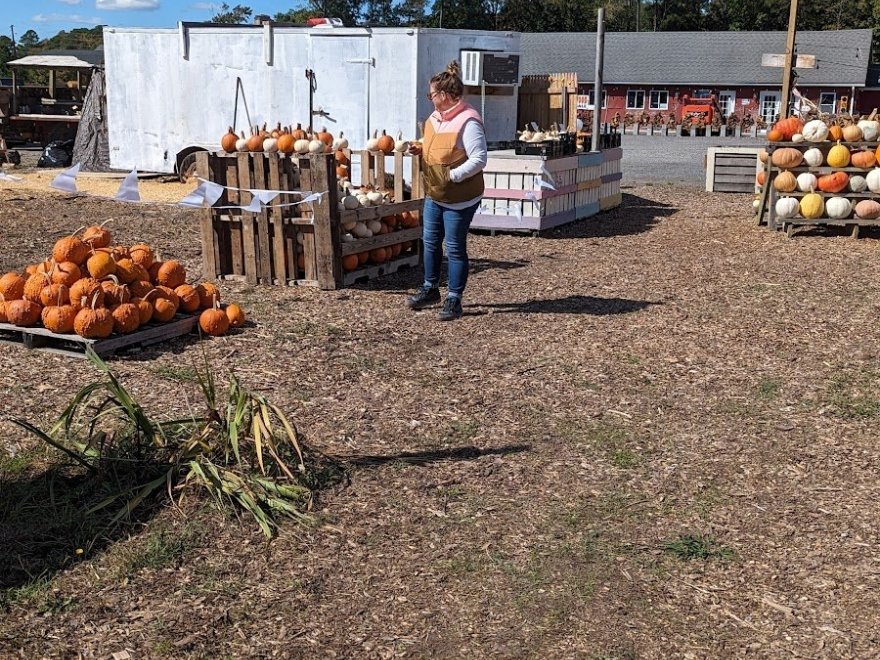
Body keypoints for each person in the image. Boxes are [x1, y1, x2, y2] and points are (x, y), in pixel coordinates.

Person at [406, 60, 487, 321]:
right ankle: (430, 288)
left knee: (454, 247)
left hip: (460, 197)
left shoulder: (468, 121)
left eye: (431, 94)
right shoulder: (433, 119)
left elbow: (479, 159)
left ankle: (454, 298)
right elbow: (438, 144)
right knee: (429, 242)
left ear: (443, 95)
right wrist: (420, 147)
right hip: (436, 193)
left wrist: (452, 176)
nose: (429, 98)